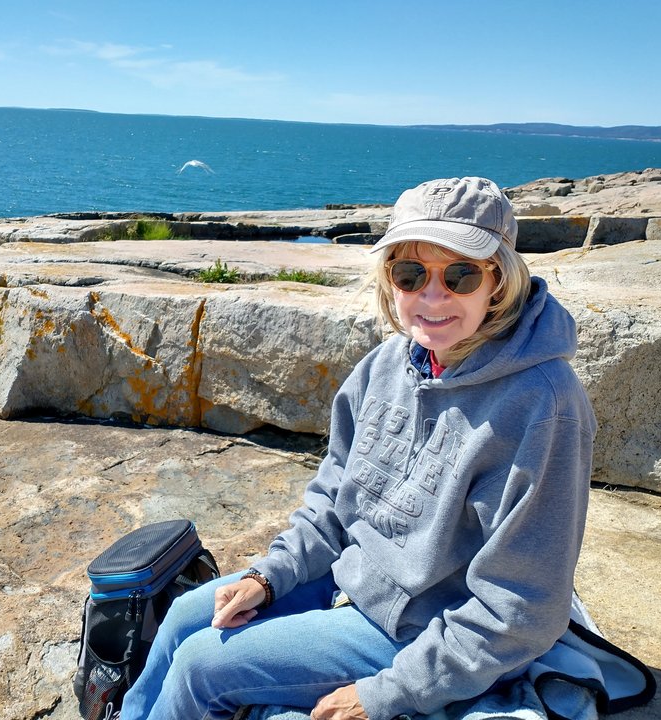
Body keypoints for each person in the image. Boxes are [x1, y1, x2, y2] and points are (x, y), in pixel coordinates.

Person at [119, 177, 598, 720]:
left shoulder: (544, 404)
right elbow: (334, 496)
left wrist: (386, 695)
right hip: (356, 580)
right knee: (186, 614)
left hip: (428, 628)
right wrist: (270, 575)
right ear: (389, 279)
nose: (433, 296)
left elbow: (520, 608)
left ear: (500, 281)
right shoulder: (388, 364)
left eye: (461, 274)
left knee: (203, 664)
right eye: (411, 273)